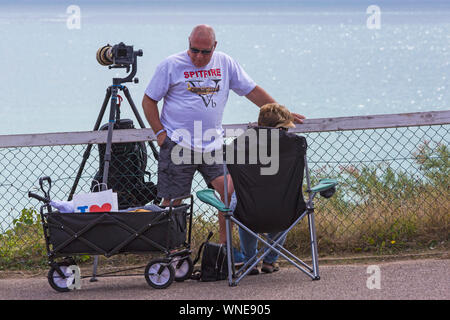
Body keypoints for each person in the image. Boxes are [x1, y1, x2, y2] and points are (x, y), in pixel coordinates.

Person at [142, 24, 305, 244]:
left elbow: (252, 91)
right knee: (173, 201)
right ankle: (169, 252)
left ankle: (223, 249)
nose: (198, 56)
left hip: (212, 146)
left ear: (215, 46)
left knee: (229, 194)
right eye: (194, 50)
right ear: (188, 43)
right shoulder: (170, 65)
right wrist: (160, 134)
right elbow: (149, 100)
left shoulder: (225, 63)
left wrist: (282, 112)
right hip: (178, 144)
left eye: (205, 51)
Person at [229, 103, 296, 274]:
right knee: (285, 202)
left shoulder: (240, 147)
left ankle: (249, 261)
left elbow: (233, 185)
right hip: (282, 209)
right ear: (278, 129)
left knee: (242, 202)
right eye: (285, 130)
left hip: (248, 210)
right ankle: (269, 261)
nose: (287, 133)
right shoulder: (293, 149)